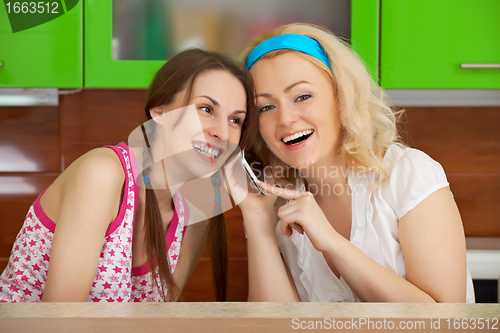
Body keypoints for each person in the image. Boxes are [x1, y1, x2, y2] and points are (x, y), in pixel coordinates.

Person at [238, 23, 474, 303]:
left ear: (341, 97)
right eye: (266, 107)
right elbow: (272, 327)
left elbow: (445, 321)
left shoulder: (408, 175)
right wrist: (257, 221)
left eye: (302, 96)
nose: (286, 118)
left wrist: (333, 243)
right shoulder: (279, 210)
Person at [0, 49, 258, 302]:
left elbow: (157, 322)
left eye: (235, 120)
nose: (223, 133)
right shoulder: (102, 174)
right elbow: (61, 322)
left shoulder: (195, 218)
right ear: (159, 112)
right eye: (206, 109)